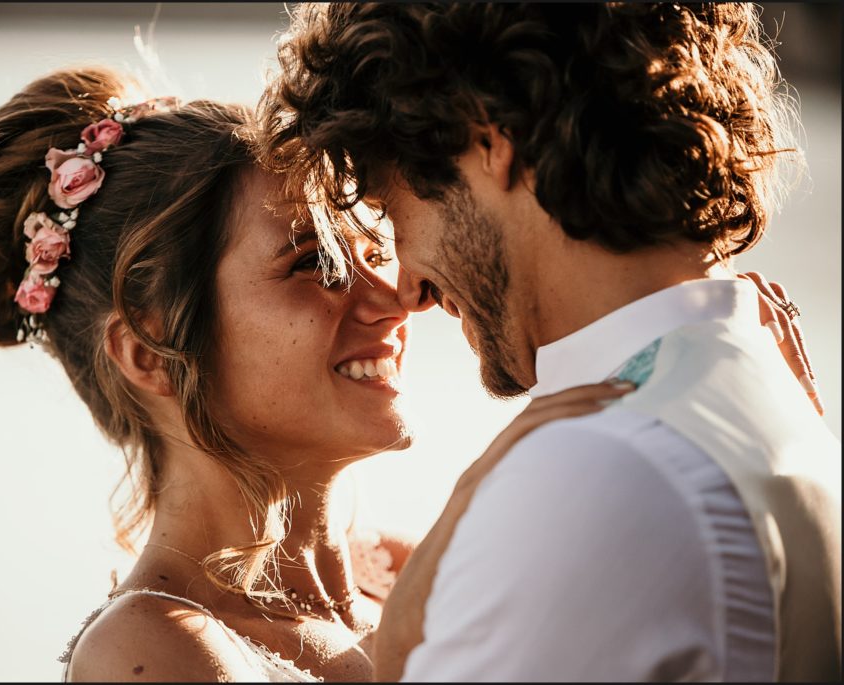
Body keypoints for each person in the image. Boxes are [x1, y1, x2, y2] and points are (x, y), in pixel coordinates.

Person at [0, 66, 638, 682]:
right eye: (317, 264)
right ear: (149, 350)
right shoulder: (146, 649)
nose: (397, 295)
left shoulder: (404, 568)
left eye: (374, 249)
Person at [259, 2, 841, 681]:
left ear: (485, 139)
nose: (408, 285)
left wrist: (403, 636)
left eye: (395, 209)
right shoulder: (758, 385)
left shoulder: (596, 470)